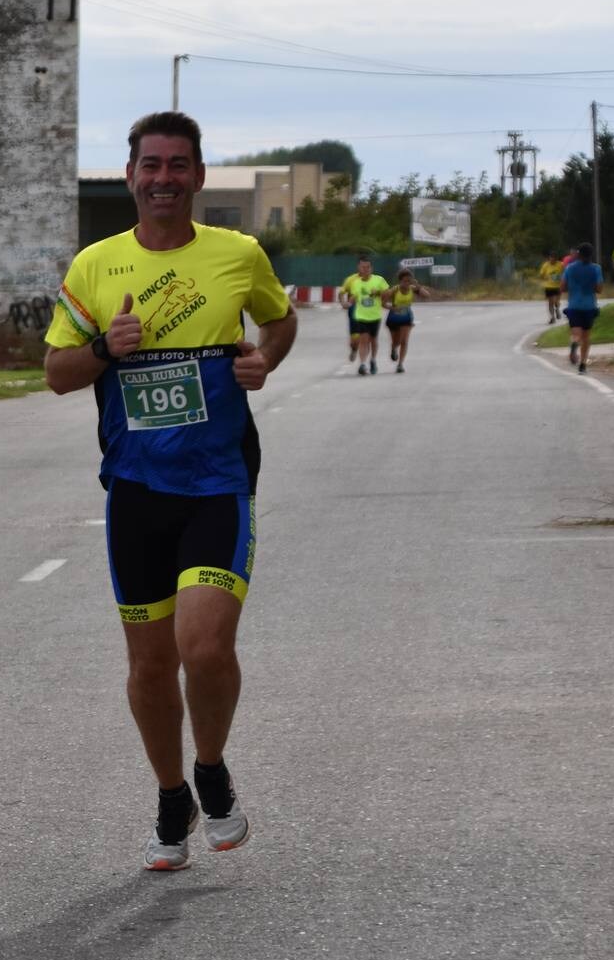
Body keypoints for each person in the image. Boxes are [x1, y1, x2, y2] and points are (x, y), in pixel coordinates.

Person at [44, 111, 298, 871]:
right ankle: (168, 793)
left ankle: (211, 765)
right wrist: (102, 347)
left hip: (217, 482)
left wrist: (264, 361)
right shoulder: (94, 265)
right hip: (134, 490)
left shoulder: (236, 253)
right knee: (151, 664)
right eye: (149, 165)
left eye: (177, 165)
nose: (163, 179)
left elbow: (278, 325)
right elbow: (56, 374)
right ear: (129, 176)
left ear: (197, 176)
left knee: (205, 644)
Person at [340, 255, 390, 375]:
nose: (365, 270)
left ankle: (373, 360)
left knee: (373, 340)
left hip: (375, 315)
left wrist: (378, 293)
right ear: (359, 268)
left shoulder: (379, 280)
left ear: (371, 268)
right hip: (361, 315)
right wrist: (348, 303)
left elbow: (388, 293)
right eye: (363, 267)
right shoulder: (355, 282)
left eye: (367, 267)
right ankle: (362, 364)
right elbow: (354, 296)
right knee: (363, 340)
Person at [561, 241, 604, 375]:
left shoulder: (569, 268)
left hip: (574, 306)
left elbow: (562, 287)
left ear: (579, 254)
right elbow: (599, 289)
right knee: (586, 337)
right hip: (589, 306)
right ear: (591, 255)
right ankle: (583, 364)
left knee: (576, 334)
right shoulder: (596, 268)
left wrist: (573, 287)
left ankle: (574, 343)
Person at [384, 269, 431, 373]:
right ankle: (393, 349)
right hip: (394, 318)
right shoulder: (394, 290)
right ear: (400, 281)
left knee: (404, 341)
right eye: (405, 281)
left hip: (406, 318)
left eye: (409, 281)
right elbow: (383, 303)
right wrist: (392, 308)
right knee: (396, 341)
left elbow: (427, 296)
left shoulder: (413, 289)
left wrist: (418, 286)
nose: (407, 283)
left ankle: (400, 364)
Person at [537, 252, 564, 324]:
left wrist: (562, 279)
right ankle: (552, 317)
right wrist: (543, 277)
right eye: (551, 258)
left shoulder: (560, 265)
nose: (552, 260)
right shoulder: (545, 265)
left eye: (554, 258)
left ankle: (557, 309)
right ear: (549, 258)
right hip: (549, 286)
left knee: (556, 301)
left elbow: (565, 272)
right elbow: (541, 275)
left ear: (556, 258)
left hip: (558, 286)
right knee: (550, 303)